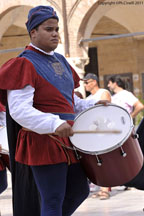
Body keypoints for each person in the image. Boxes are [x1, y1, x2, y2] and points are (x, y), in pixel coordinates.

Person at [0, 5, 99, 216]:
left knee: (79, 190)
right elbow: (19, 110)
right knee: (52, 198)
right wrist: (54, 123)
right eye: (48, 29)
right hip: (43, 140)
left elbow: (67, 99)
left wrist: (93, 105)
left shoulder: (61, 61)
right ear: (33, 32)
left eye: (56, 29)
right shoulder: (24, 63)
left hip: (66, 139)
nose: (55, 34)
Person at [83, 73, 111, 200]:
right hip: (93, 132)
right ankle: (100, 187)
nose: (85, 85)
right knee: (97, 161)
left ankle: (105, 190)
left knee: (105, 160)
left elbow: (105, 110)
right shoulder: (88, 98)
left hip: (103, 131)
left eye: (86, 82)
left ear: (94, 82)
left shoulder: (103, 92)